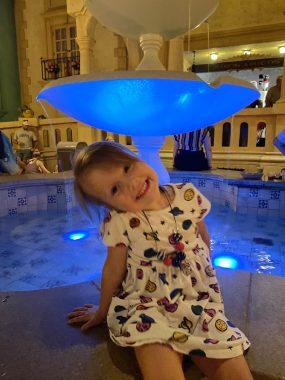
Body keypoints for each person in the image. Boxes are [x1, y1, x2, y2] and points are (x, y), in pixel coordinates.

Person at [67, 142, 253, 380]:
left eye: (126, 168)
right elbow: (113, 270)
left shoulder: (188, 195)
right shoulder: (120, 220)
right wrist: (102, 311)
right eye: (115, 189)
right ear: (110, 205)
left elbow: (203, 240)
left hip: (199, 304)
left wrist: (207, 279)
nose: (131, 183)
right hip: (147, 307)